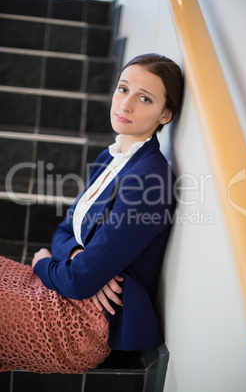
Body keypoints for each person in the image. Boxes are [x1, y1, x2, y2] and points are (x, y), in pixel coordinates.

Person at [0, 53, 183, 374]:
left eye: (144, 98)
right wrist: (74, 253)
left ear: (165, 114)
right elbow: (63, 230)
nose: (125, 105)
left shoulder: (150, 180)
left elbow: (79, 281)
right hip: (65, 290)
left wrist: (44, 263)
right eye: (123, 89)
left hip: (87, 323)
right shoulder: (109, 158)